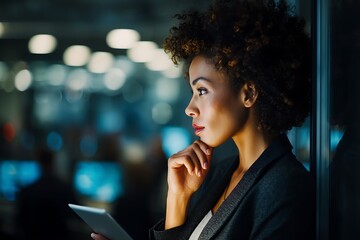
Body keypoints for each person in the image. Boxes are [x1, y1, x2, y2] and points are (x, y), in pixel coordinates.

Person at [91, 0, 315, 239]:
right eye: (192, 93)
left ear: (248, 93)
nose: (190, 109)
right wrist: (178, 198)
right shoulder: (217, 175)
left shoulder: (286, 186)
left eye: (202, 91)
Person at [15, 147, 78, 240]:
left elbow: (19, 221)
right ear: (53, 162)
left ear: (38, 163)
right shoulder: (64, 188)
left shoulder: (28, 190)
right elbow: (75, 214)